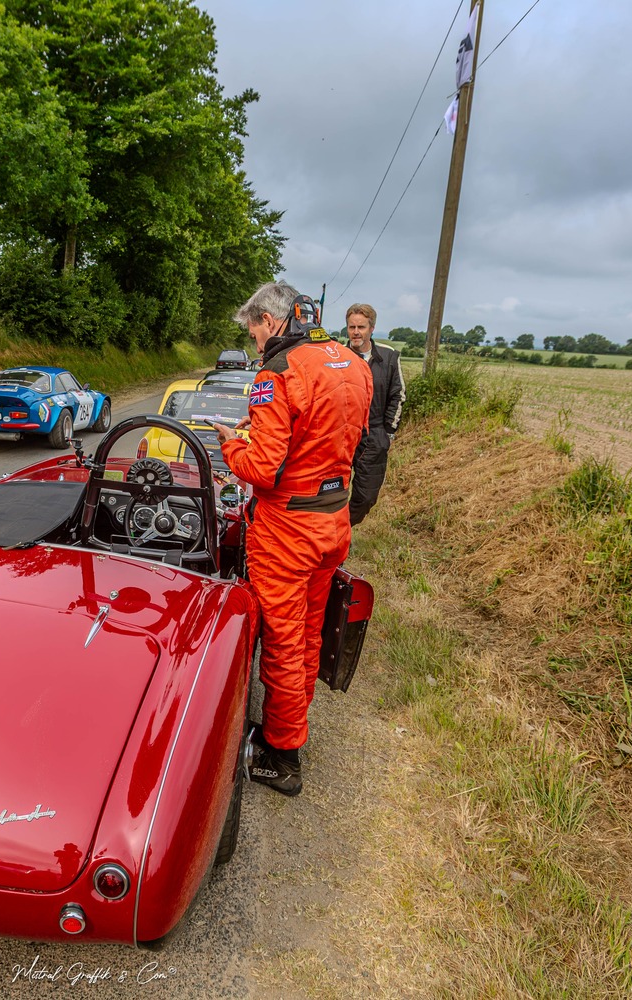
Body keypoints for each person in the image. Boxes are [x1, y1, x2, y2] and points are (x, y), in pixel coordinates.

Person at [211, 282, 372, 796]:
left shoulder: (276, 374)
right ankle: (291, 728)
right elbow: (339, 437)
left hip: (286, 531)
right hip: (332, 522)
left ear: (270, 319)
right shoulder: (350, 361)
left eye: (253, 329)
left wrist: (234, 445)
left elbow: (262, 469)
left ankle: (282, 757)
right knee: (306, 633)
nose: (254, 340)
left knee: (281, 643)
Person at [342, 303, 403, 526]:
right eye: (351, 327)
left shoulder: (388, 357)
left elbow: (398, 395)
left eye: (361, 327)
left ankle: (343, 527)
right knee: (331, 492)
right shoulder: (337, 355)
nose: (356, 332)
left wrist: (388, 432)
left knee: (366, 497)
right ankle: (332, 538)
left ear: (372, 328)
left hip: (375, 434)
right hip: (341, 433)